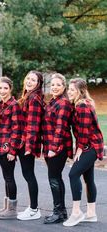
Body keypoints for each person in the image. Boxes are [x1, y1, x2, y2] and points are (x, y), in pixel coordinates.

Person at [63, 78, 104, 227]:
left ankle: (76, 212)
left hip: (90, 145)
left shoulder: (82, 106)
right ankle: (91, 213)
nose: (69, 92)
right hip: (90, 144)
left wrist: (79, 149)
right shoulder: (81, 104)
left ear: (80, 91)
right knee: (88, 178)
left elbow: (84, 132)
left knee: (73, 174)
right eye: (69, 89)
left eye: (72, 90)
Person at [42, 73, 73, 224]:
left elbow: (60, 127)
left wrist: (53, 148)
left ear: (64, 87)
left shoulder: (64, 103)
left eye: (58, 85)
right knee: (56, 178)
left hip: (58, 147)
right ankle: (61, 212)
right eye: (52, 85)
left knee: (53, 178)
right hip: (50, 146)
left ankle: (57, 212)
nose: (54, 87)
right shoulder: (53, 101)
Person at [0, 76, 22, 220]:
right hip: (0, 144)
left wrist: (13, 150)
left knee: (9, 177)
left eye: (5, 88)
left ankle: (12, 210)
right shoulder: (1, 104)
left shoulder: (14, 105)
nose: (2, 91)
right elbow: (4, 124)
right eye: (0, 88)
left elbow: (17, 129)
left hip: (8, 146)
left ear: (10, 89)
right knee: (6, 176)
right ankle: (6, 207)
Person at [17, 71, 44, 220]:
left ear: (38, 83)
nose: (29, 81)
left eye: (33, 80)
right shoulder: (29, 97)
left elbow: (33, 125)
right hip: (25, 141)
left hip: (27, 143)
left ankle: (34, 209)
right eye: (28, 78)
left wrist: (28, 147)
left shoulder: (33, 99)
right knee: (28, 175)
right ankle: (33, 207)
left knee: (29, 175)